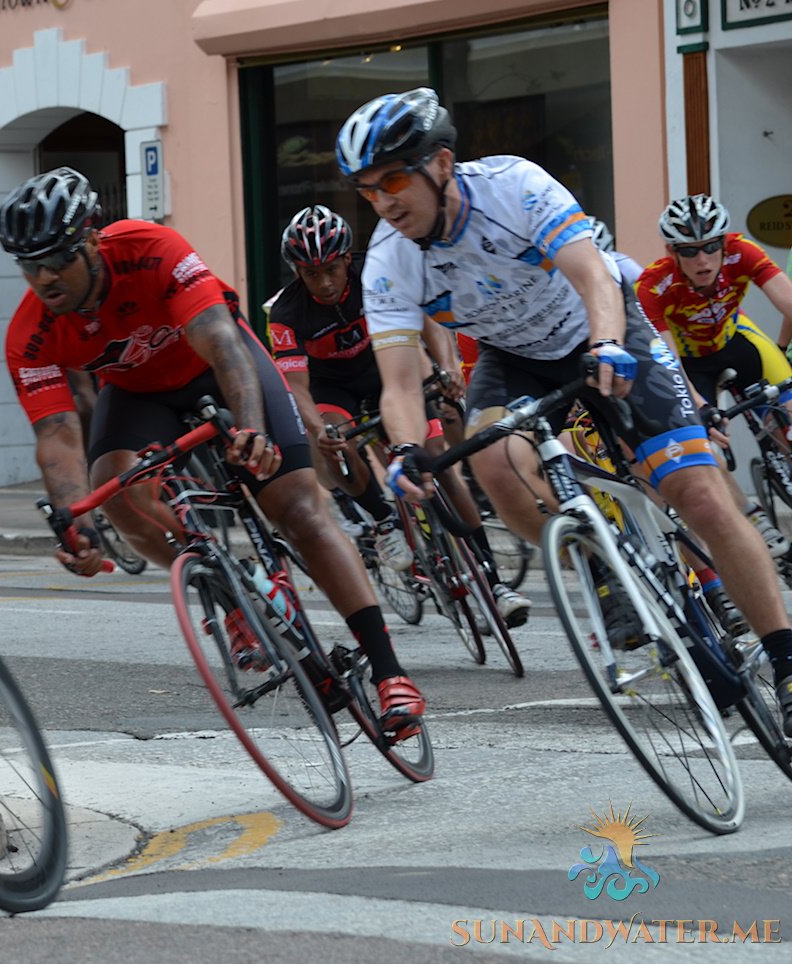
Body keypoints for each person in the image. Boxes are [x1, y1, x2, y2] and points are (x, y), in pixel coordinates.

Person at [341, 87, 792, 735]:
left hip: (600, 326)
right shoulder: (388, 261)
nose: (383, 201)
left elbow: (593, 277)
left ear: (440, 164)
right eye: (367, 190)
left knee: (699, 494)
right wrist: (408, 449)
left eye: (393, 180)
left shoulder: (513, 187)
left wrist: (606, 343)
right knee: (494, 464)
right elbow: (400, 384)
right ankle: (607, 566)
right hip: (514, 357)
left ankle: (785, 656)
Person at [0, 167, 426, 734]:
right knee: (116, 492)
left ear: (93, 242)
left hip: (215, 365)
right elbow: (56, 435)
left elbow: (223, 344)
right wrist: (75, 523)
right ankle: (231, 595)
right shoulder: (29, 334)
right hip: (138, 391)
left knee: (299, 510)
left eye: (57, 258)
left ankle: (390, 671)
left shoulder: (150, 248)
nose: (45, 277)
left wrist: (251, 429)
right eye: (30, 266)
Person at [267, 205, 531, 626]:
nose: (326, 282)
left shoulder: (374, 273)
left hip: (385, 372)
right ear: (297, 272)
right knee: (334, 440)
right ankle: (383, 520)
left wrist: (447, 367)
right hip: (332, 388)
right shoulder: (286, 313)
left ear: (346, 259)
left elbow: (427, 318)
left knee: (439, 464)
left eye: (332, 269)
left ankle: (493, 580)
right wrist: (318, 431)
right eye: (312, 274)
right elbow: (296, 387)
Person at [634, 195, 792, 556]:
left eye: (710, 247)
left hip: (736, 341)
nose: (702, 260)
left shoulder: (742, 252)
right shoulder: (653, 285)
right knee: (700, 442)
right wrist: (702, 406)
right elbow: (668, 361)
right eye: (689, 251)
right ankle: (752, 516)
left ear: (723, 243)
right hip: (688, 362)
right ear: (672, 252)